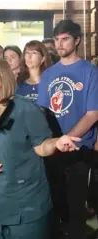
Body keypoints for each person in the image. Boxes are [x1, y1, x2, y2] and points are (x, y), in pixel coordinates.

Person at [0, 55, 82, 239]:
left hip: (24, 206)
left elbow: (41, 146)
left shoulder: (26, 109)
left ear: (3, 78)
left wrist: (57, 143)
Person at [37, 20, 98, 239]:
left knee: (76, 211)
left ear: (77, 40)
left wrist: (68, 139)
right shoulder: (48, 74)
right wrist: (53, 143)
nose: (59, 44)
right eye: (57, 39)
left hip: (78, 150)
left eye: (65, 39)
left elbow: (92, 113)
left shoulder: (90, 71)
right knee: (55, 206)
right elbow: (42, 112)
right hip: (53, 150)